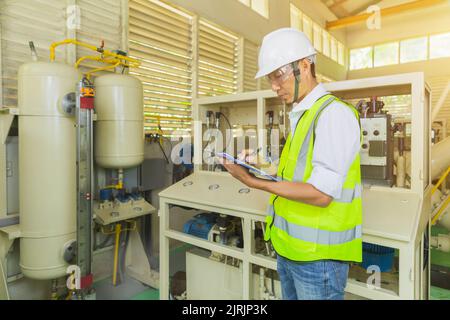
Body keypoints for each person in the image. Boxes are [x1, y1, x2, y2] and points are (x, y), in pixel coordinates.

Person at [221, 28, 363, 300]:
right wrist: (262, 164)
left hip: (318, 259)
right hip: (291, 252)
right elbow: (297, 174)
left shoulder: (333, 114)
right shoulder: (302, 116)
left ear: (304, 66)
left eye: (278, 75)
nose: (274, 86)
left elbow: (321, 194)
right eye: (270, 78)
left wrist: (252, 181)